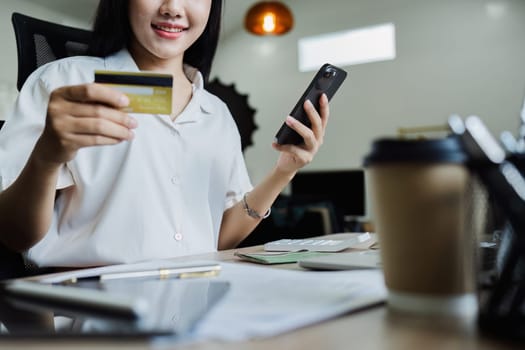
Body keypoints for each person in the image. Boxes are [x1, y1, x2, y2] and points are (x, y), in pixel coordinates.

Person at [0, 0, 330, 267]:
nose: (173, 7)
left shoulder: (216, 113)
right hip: (86, 308)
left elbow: (217, 239)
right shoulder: (64, 81)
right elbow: (12, 234)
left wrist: (284, 169)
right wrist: (46, 157)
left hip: (194, 302)